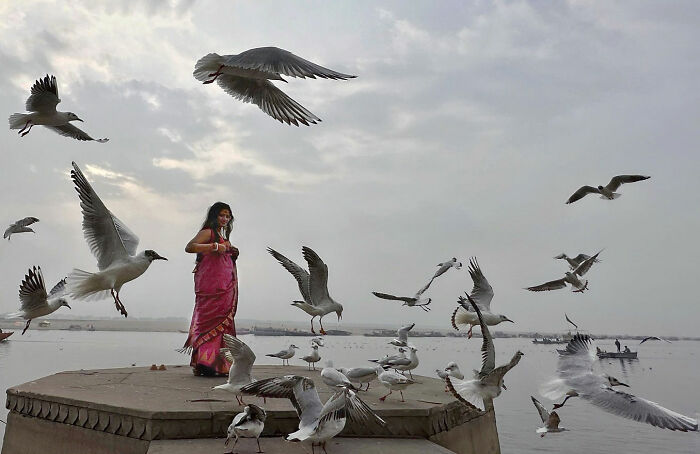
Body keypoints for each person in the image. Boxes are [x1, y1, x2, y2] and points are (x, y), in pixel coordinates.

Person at [183, 202, 239, 376]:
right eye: (222, 215)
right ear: (214, 216)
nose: (224, 219)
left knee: (223, 322)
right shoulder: (208, 232)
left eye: (227, 216)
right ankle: (206, 363)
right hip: (211, 289)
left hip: (223, 287)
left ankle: (220, 365)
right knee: (209, 321)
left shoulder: (221, 235)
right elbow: (190, 247)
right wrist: (215, 247)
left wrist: (230, 250)